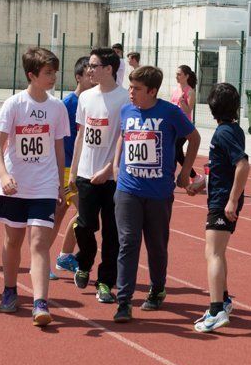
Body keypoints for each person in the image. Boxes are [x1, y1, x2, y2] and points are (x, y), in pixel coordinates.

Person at [111, 65, 201, 322]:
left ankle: (157, 288)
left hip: (159, 192)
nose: (130, 93)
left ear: (152, 91)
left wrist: (184, 174)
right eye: (130, 87)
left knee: (156, 245)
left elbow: (194, 138)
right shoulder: (127, 110)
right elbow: (123, 136)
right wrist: (117, 166)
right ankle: (124, 301)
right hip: (128, 189)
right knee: (128, 242)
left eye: (136, 89)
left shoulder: (170, 112)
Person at [0, 47, 70, 326]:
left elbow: (59, 148)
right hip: (15, 185)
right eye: (48, 73)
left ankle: (40, 302)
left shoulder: (57, 107)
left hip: (45, 184)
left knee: (39, 242)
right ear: (32, 75)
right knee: (13, 240)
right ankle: (10, 290)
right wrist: (3, 175)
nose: (53, 78)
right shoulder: (14, 105)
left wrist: (61, 184)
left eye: (55, 73)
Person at [67, 48, 128, 302]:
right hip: (85, 173)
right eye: (89, 66)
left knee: (112, 232)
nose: (89, 70)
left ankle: (105, 282)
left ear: (109, 69)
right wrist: (73, 170)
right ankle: (84, 260)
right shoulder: (86, 98)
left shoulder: (124, 99)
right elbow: (81, 134)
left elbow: (123, 138)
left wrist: (108, 169)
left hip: (111, 177)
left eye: (94, 66)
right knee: (85, 225)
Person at [189, 82, 249, 333]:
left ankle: (216, 310)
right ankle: (222, 299)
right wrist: (202, 183)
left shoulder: (223, 133)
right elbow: (221, 167)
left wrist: (232, 200)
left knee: (212, 253)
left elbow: (243, 165)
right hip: (221, 196)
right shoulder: (233, 130)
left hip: (223, 201)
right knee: (217, 252)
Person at [54, 56, 94, 279]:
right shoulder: (66, 104)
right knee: (84, 213)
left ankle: (64, 255)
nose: (93, 79)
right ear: (78, 77)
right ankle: (63, 255)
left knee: (66, 215)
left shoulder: (94, 102)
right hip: (68, 168)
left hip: (84, 168)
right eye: (89, 76)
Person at [171, 64, 198, 180]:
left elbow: (188, 110)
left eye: (179, 74)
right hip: (173, 125)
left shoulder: (190, 92)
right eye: (176, 74)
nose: (176, 76)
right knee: (177, 152)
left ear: (186, 76)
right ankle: (194, 176)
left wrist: (182, 102)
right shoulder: (175, 89)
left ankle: (189, 175)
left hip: (184, 126)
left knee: (175, 150)